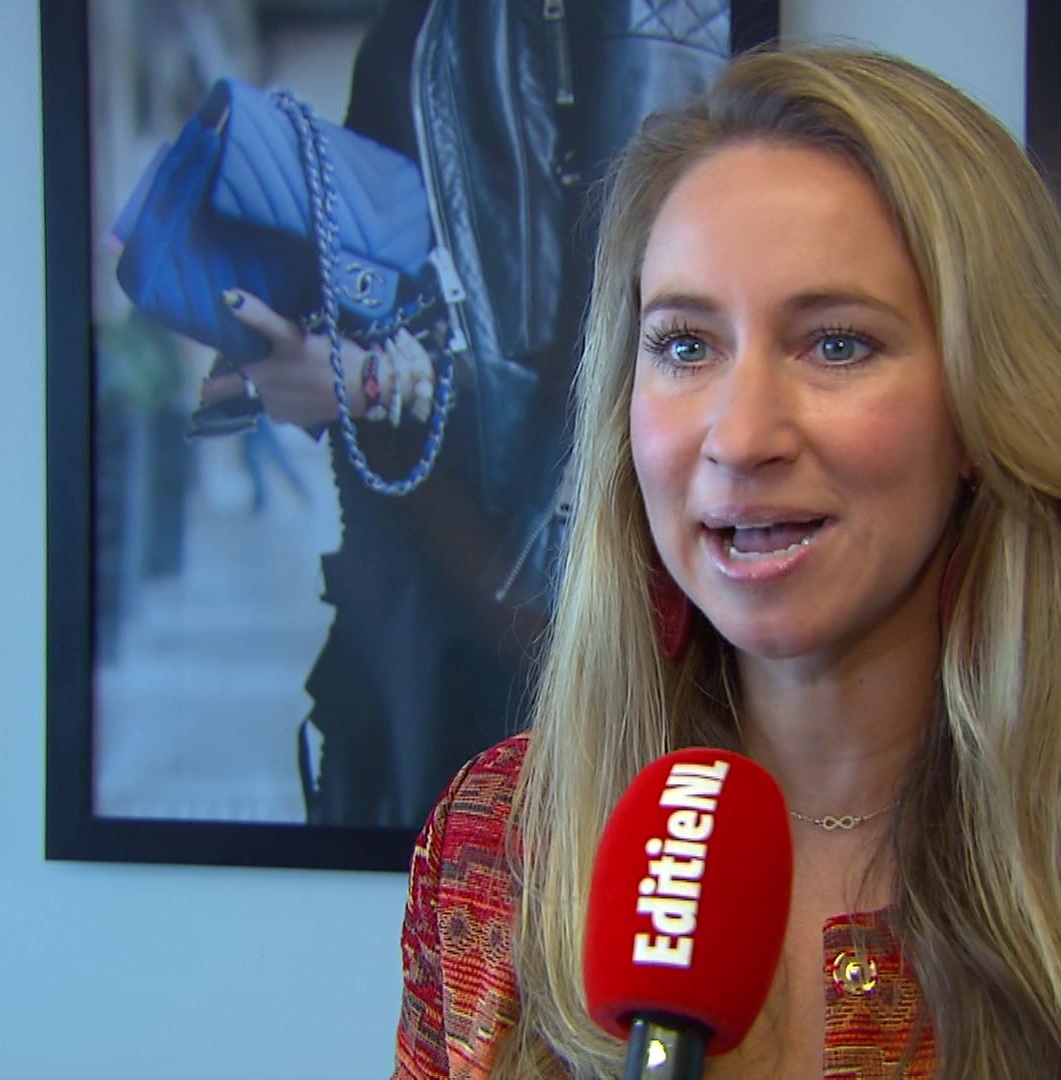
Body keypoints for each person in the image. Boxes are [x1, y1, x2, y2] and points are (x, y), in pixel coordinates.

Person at [393, 47, 1061, 1078]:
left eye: (837, 344)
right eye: (686, 345)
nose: (740, 437)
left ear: (984, 407)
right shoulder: (496, 849)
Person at [193, 0, 731, 828]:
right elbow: (421, 307)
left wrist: (371, 381)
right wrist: (311, 352)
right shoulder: (416, 34)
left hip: (580, 652)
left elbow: (631, 363)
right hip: (426, 638)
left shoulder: (662, 20)